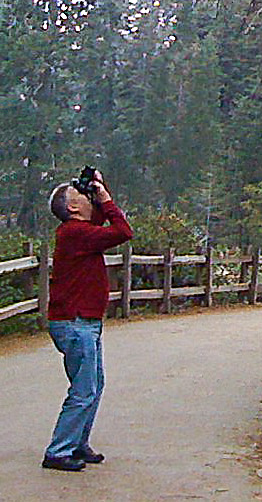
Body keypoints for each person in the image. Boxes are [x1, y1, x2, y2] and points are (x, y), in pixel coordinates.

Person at [42, 169, 134, 472]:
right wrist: (105, 199)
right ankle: (58, 451)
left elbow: (102, 221)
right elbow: (122, 231)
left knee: (93, 386)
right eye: (79, 194)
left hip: (83, 322)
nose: (86, 196)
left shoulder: (80, 233)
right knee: (83, 390)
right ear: (71, 207)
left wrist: (100, 191)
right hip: (75, 322)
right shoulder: (74, 233)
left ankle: (77, 442)